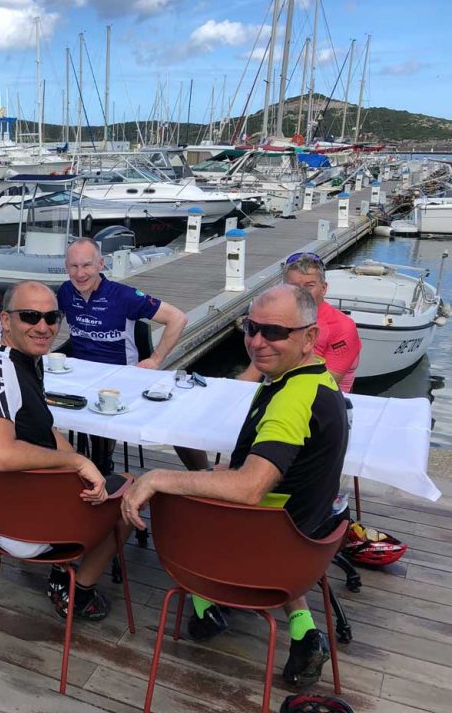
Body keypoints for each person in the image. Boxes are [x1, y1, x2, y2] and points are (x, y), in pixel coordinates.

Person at [122, 284, 349, 689]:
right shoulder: (314, 380)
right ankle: (303, 631)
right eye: (251, 328)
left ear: (310, 338)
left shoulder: (294, 397)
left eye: (275, 332)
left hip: (265, 550)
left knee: (166, 497)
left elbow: (249, 489)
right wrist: (228, 471)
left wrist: (157, 478)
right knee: (206, 480)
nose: (258, 342)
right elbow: (273, 469)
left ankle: (206, 604)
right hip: (303, 543)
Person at [0, 280, 131, 621]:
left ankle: (61, 570)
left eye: (52, 317)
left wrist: (78, 468)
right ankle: (78, 591)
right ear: (5, 321)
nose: (43, 326)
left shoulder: (24, 360)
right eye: (30, 316)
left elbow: (44, 431)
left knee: (97, 479)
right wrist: (77, 460)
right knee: (134, 489)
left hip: (3, 508)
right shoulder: (0, 370)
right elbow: (3, 454)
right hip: (15, 526)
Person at [57, 237, 203, 470]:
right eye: (73, 266)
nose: (80, 273)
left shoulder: (123, 296)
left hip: (121, 380)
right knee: (33, 404)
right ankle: (73, 466)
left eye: (86, 265)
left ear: (101, 264)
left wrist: (155, 359)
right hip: (79, 378)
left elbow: (177, 318)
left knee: (177, 421)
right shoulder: (65, 292)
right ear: (66, 267)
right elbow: (48, 323)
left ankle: (202, 473)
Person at [238, 252, 361, 393]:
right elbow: (250, 375)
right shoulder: (277, 318)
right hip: (280, 390)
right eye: (293, 286)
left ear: (323, 288)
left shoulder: (342, 326)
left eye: (309, 285)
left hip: (322, 402)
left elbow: (322, 386)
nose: (301, 293)